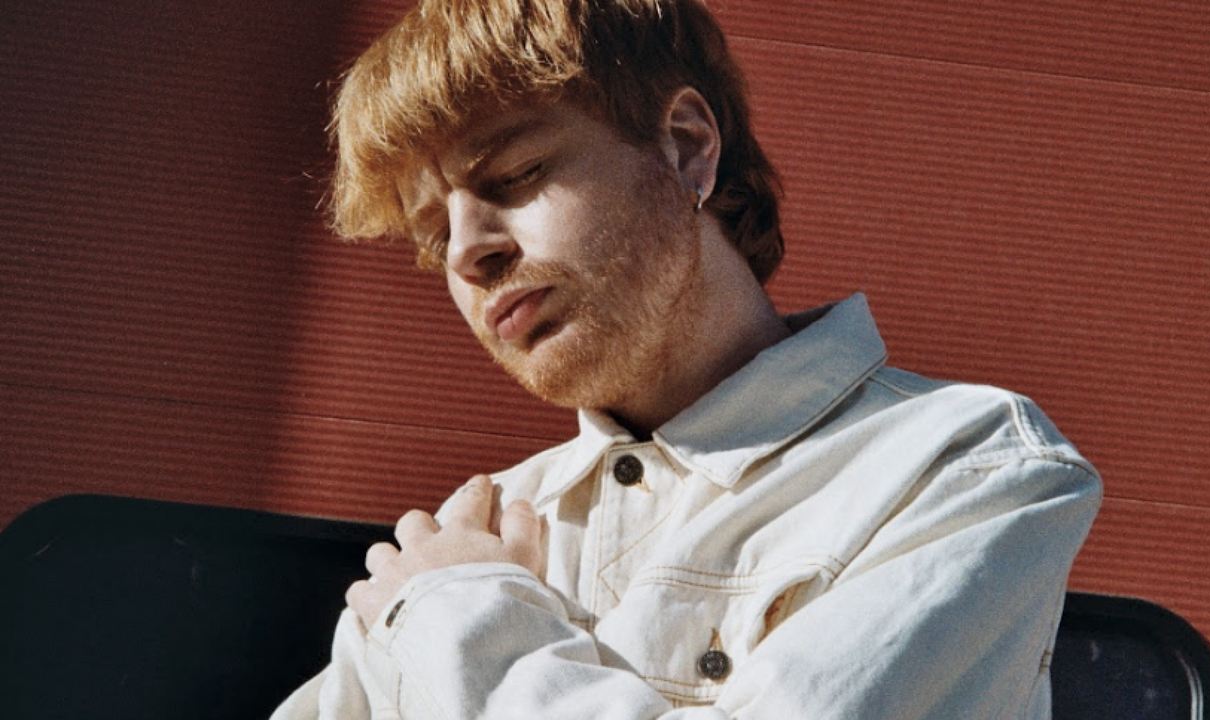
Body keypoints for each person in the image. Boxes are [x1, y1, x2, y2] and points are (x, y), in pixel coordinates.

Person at [273, 0, 1102, 717]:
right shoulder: (461, 536)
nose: (466, 252)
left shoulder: (960, 468)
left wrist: (468, 622)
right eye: (432, 236)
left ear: (684, 146)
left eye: (516, 174)